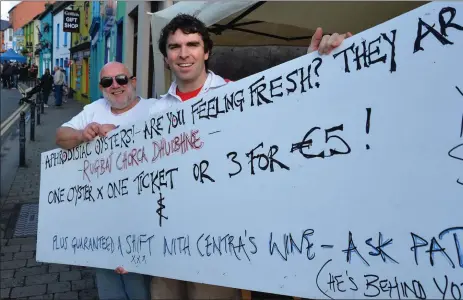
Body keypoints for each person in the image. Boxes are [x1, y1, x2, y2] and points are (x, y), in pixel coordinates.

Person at [114, 14, 352, 300]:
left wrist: (316, 65)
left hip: (218, 244)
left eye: (192, 44)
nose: (184, 53)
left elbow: (285, 125)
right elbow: (137, 182)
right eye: (174, 47)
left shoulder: (236, 95)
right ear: (165, 57)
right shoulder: (153, 113)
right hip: (165, 245)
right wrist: (127, 244)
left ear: (207, 51)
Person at [55, 61, 154, 300]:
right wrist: (82, 134)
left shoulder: (155, 108)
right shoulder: (93, 110)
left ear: (133, 82)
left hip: (144, 220)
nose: (115, 86)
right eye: (107, 82)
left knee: (141, 286)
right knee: (110, 286)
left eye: (121, 79)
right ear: (101, 87)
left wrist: (120, 133)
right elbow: (60, 137)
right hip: (102, 222)